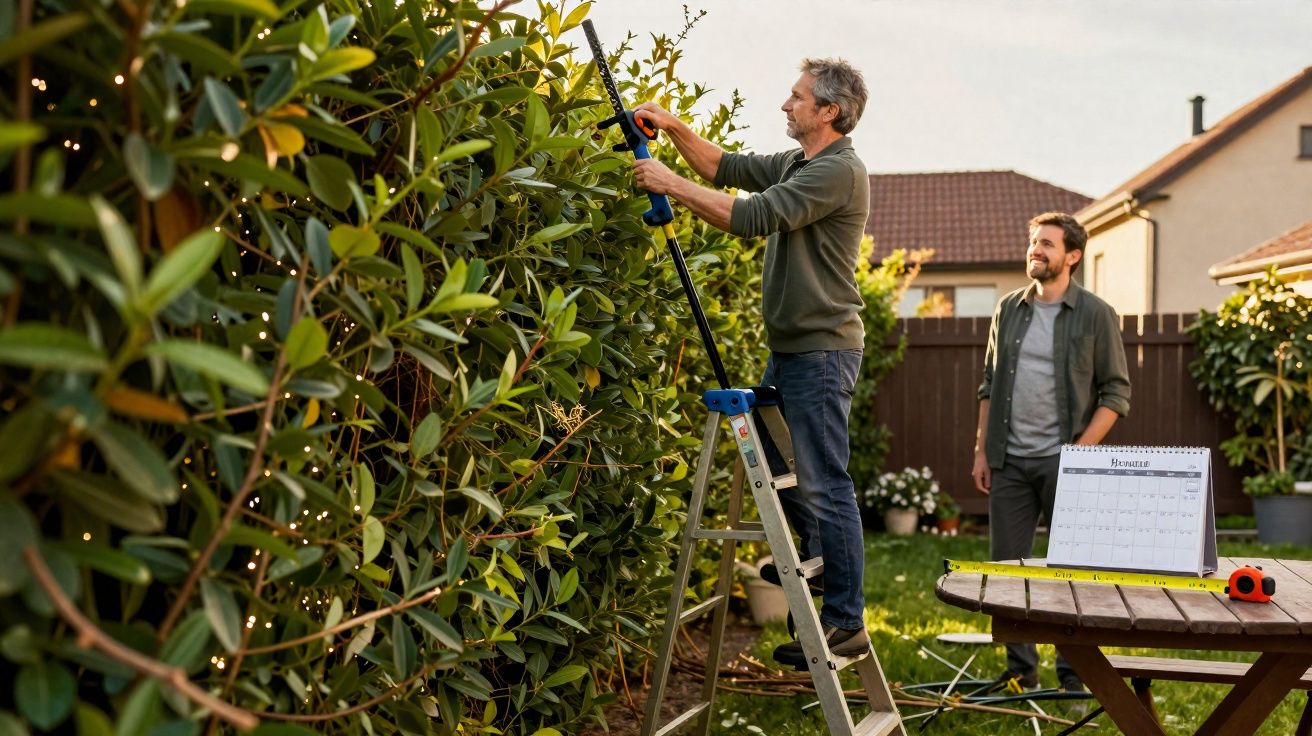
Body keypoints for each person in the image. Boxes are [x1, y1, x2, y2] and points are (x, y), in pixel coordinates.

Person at [629, 59, 871, 666]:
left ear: (828, 111)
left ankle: (845, 621)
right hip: (792, 349)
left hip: (822, 350)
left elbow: (754, 216)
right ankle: (817, 560)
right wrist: (673, 125)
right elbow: (726, 168)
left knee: (825, 480)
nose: (785, 106)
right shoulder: (799, 163)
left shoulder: (839, 172)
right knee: (770, 455)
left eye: (796, 98)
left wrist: (670, 185)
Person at [972, 212, 1131, 693]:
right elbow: (989, 383)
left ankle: (1075, 675)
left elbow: (1116, 394)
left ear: (1073, 256)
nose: (1035, 250)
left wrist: (1080, 453)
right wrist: (981, 450)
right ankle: (1021, 672)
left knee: (1071, 573)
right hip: (1010, 460)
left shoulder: (1096, 315)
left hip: (1067, 463)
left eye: (1047, 244)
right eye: (1033, 242)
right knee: (1008, 571)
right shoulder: (1008, 309)